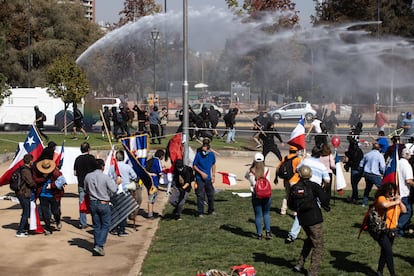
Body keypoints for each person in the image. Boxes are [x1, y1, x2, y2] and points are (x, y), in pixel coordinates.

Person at [291, 165, 330, 276]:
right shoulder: (314, 186)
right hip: (314, 218)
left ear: (299, 175)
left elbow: (291, 204)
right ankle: (313, 272)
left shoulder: (295, 188)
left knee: (310, 240)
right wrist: (325, 205)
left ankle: (299, 264)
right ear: (310, 175)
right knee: (318, 246)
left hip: (302, 218)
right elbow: (324, 198)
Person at [286, 146, 330, 244]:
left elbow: (297, 170)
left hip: (303, 188)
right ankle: (312, 236)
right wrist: (323, 187)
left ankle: (293, 234)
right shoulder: (321, 166)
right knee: (313, 215)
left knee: (301, 211)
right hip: (315, 191)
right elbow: (327, 180)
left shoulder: (305, 161)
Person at [84, 158, 121, 256]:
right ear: (102, 167)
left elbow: (86, 189)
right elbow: (113, 189)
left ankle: (97, 245)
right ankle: (99, 245)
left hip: (93, 203)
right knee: (105, 225)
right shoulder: (105, 177)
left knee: (96, 226)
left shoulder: (88, 176)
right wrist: (117, 183)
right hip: (103, 203)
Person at [374, 182, 407, 276]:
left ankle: (379, 271)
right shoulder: (381, 198)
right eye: (390, 193)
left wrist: (399, 201)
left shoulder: (395, 201)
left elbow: (404, 211)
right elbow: (384, 205)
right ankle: (393, 274)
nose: (392, 194)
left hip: (392, 230)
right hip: (382, 230)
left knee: (385, 251)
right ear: (385, 192)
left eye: (393, 192)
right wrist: (395, 201)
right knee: (388, 252)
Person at [33, 159, 66, 235]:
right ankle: (48, 227)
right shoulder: (38, 172)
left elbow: (62, 180)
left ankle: (57, 220)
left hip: (54, 195)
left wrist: (52, 185)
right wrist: (43, 179)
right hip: (42, 195)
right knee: (45, 212)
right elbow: (35, 179)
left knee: (55, 211)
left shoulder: (55, 172)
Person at [110, 150, 138, 237]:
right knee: (124, 211)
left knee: (115, 210)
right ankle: (121, 230)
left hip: (114, 190)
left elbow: (109, 177)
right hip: (124, 190)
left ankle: (114, 228)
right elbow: (134, 176)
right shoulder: (127, 167)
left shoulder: (112, 167)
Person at [245, 152, 272, 240]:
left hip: (256, 195)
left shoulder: (250, 171)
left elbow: (246, 177)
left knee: (258, 215)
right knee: (266, 213)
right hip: (267, 195)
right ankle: (268, 232)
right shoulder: (267, 169)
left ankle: (259, 234)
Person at [73, 142, 97, 229]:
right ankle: (95, 222)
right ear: (89, 149)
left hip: (81, 184)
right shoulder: (91, 158)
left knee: (82, 203)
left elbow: (75, 173)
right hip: (91, 184)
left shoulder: (77, 159)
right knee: (93, 202)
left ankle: (83, 223)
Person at [193, 139, 216, 217]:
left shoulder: (212, 155)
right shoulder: (198, 155)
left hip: (208, 178)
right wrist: (201, 173)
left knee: (211, 195)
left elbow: (213, 164)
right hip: (200, 178)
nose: (204, 152)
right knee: (200, 195)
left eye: (205, 150)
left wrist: (213, 175)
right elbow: (194, 166)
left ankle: (211, 210)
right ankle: (200, 212)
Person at [15, 154, 37, 237]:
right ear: (30, 161)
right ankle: (20, 231)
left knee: (25, 211)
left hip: (21, 192)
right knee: (26, 212)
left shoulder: (22, 168)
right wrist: (36, 185)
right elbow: (30, 182)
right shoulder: (26, 170)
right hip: (24, 193)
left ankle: (24, 228)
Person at [276, 145, 301, 215]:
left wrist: (276, 177)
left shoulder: (285, 158)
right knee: (296, 196)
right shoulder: (298, 159)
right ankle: (295, 211)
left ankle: (283, 210)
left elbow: (278, 168)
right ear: (296, 151)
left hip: (286, 179)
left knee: (287, 195)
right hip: (295, 180)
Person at [359, 142, 386, 207]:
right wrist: (383, 173)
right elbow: (382, 166)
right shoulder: (380, 155)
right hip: (375, 174)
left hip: (367, 173)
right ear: (379, 148)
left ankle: (364, 203)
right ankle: (382, 201)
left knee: (367, 188)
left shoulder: (367, 154)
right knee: (381, 188)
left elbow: (361, 164)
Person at [396, 148, 414, 237]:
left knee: (401, 212)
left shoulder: (397, 162)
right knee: (408, 212)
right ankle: (397, 228)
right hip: (404, 192)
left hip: (397, 191)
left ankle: (400, 231)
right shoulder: (407, 165)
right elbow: (408, 181)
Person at [344, 136, 364, 204]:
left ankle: (355, 198)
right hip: (360, 168)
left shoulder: (351, 151)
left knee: (354, 184)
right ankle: (354, 196)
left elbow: (348, 160)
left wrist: (347, 164)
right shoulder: (360, 151)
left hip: (355, 168)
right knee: (355, 184)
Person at [145, 149, 165, 219]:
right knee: (152, 198)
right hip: (154, 183)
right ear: (161, 156)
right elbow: (160, 172)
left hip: (149, 182)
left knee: (151, 197)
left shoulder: (151, 160)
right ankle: (150, 214)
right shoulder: (157, 161)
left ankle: (151, 212)